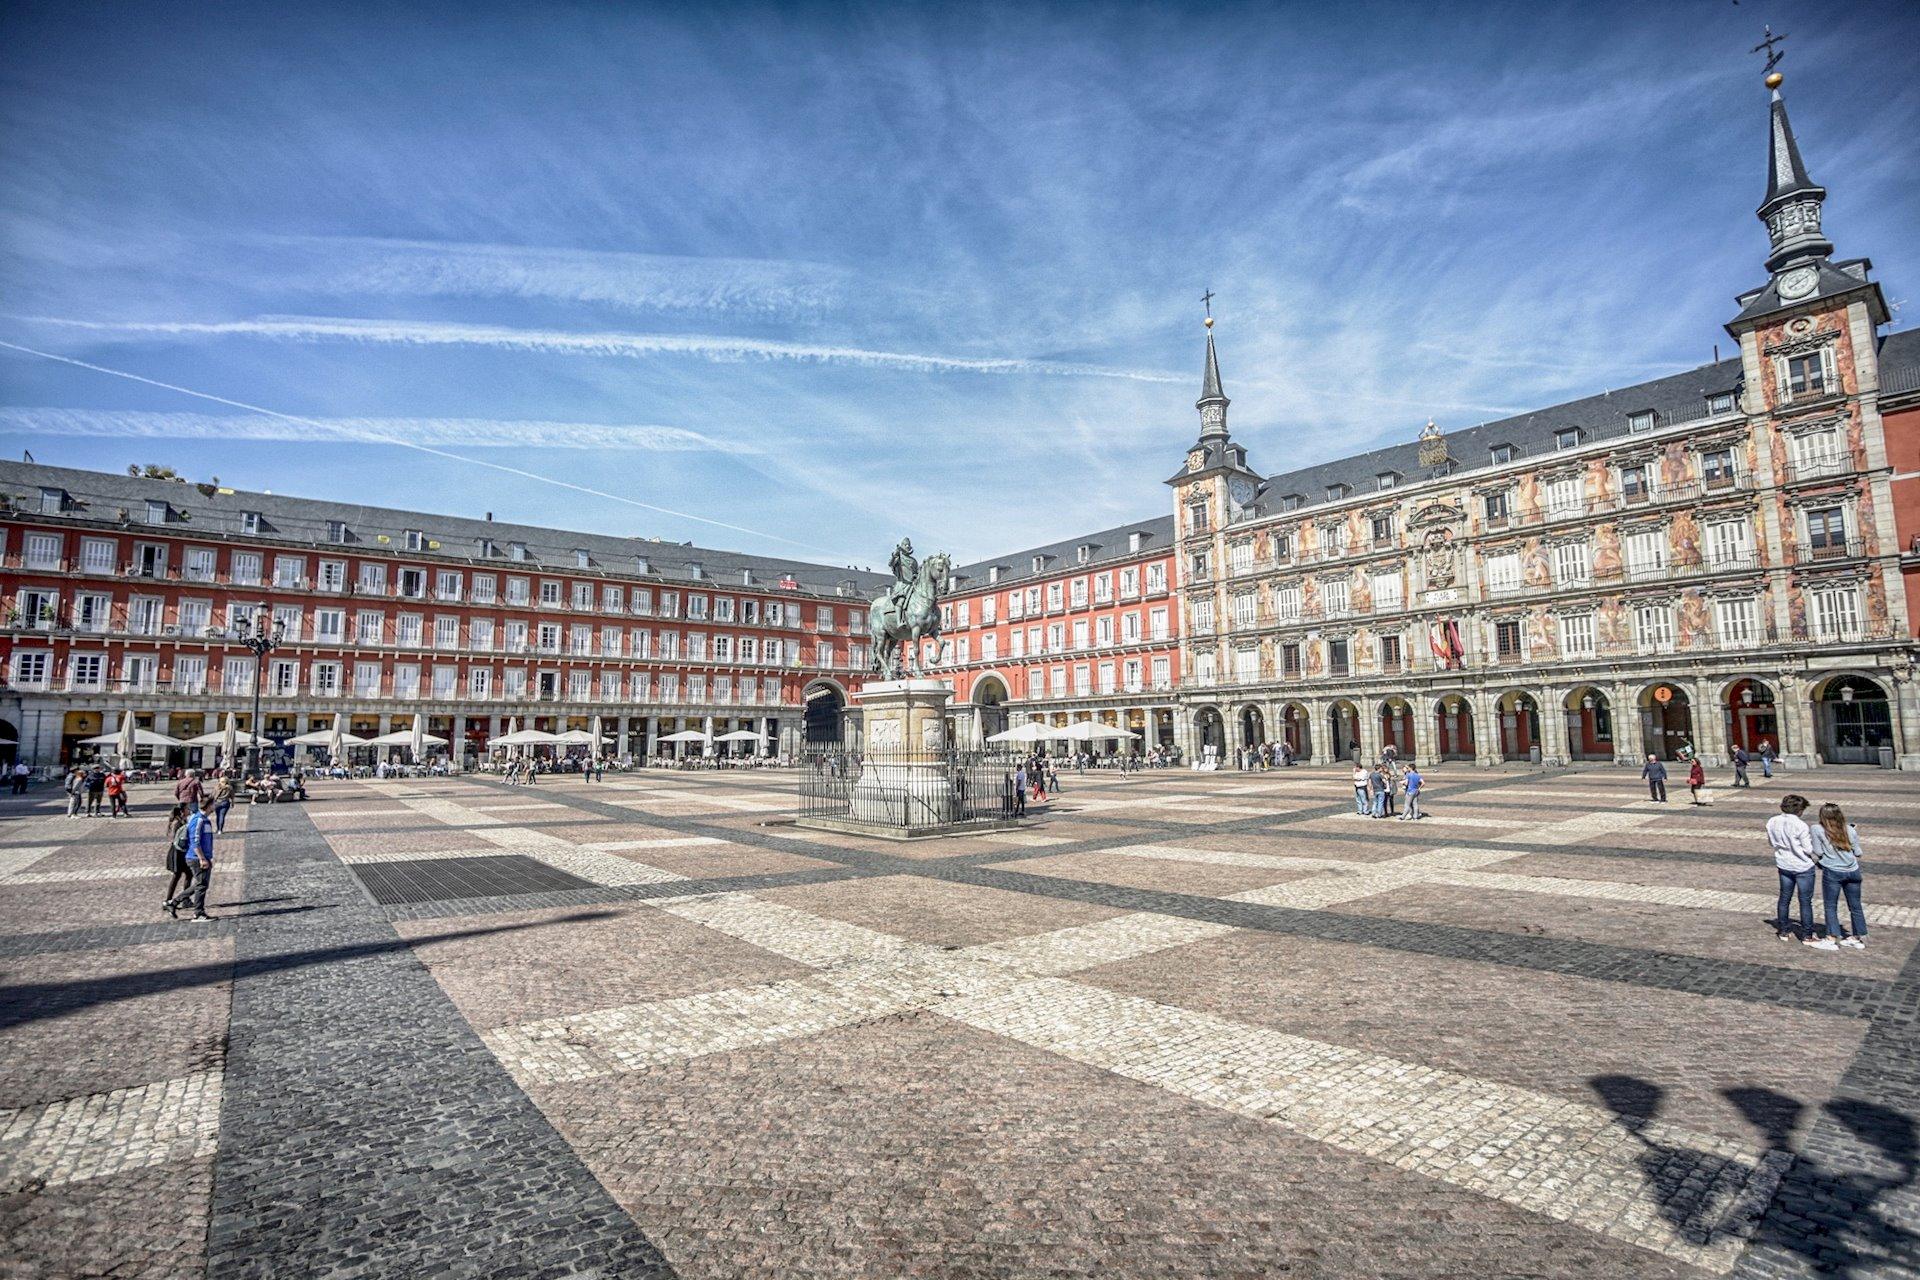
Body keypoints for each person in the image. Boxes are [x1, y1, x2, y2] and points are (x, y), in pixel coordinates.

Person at [1766, 794, 1833, 949]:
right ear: (1799, 809)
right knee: (1805, 901)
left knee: (1784, 898)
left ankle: (1783, 930)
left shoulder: (1772, 821)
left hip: (1783, 863)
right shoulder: (1800, 825)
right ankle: (1807, 934)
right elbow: (1809, 849)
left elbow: (1771, 842)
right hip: (1802, 866)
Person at [1811, 803, 1868, 950]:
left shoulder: (1817, 829)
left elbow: (1817, 851)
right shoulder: (1849, 829)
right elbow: (1858, 853)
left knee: (1831, 906)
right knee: (1855, 906)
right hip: (1853, 871)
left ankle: (1831, 938)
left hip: (1833, 871)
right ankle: (1856, 938)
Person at [165, 798, 217, 921]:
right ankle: (198, 913)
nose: (215, 806)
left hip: (203, 857)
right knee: (201, 885)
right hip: (196, 858)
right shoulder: (198, 819)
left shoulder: (204, 819)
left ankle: (173, 902)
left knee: (201, 884)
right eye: (214, 804)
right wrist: (202, 858)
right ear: (209, 806)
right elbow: (195, 841)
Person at [161, 802, 193, 914]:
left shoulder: (181, 821)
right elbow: (177, 839)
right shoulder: (177, 823)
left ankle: (182, 899)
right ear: (182, 811)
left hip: (180, 852)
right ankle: (169, 900)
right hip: (178, 852)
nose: (189, 810)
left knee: (187, 874)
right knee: (178, 875)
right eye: (187, 808)